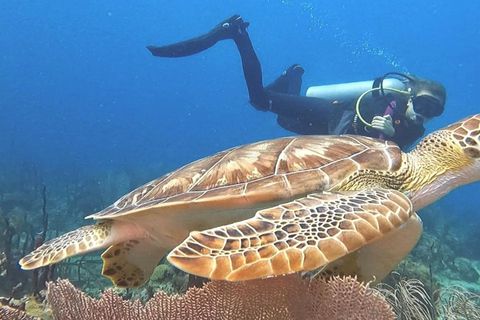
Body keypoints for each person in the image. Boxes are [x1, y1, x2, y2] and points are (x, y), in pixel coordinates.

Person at [147, 15, 446, 150]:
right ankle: (236, 33)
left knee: (281, 121)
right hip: (332, 115)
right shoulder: (388, 98)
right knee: (260, 101)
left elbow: (396, 151)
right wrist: (383, 125)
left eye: (433, 112)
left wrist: (394, 134)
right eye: (421, 105)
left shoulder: (415, 129)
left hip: (329, 137)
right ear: (409, 97)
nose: (423, 114)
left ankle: (294, 73)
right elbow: (361, 121)